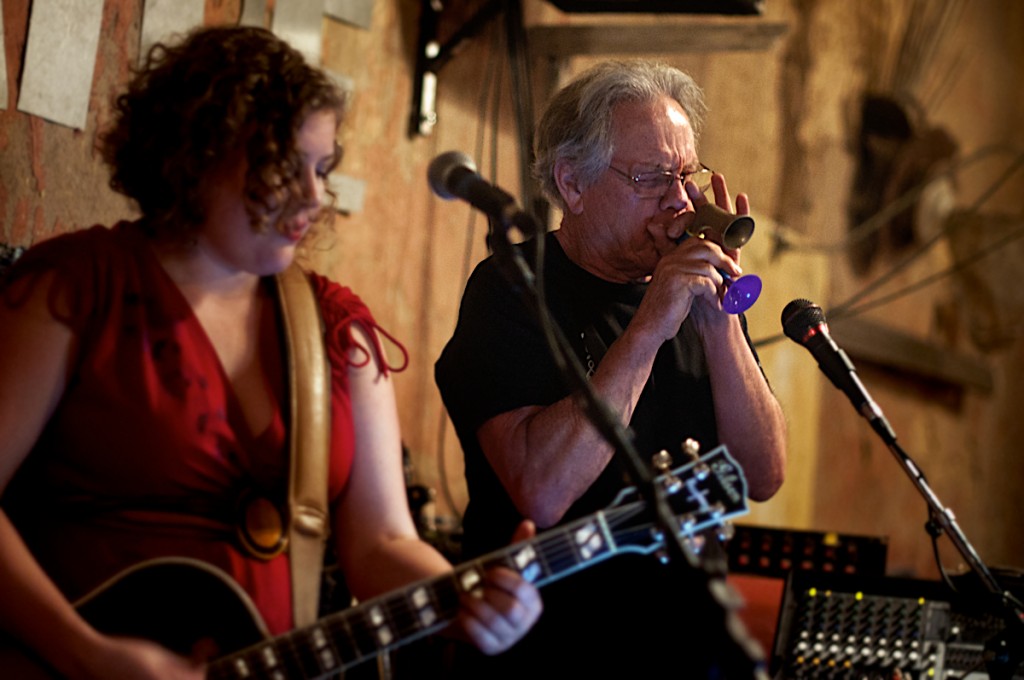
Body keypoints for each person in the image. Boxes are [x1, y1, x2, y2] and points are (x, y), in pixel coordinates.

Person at [0, 25, 541, 679]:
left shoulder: (337, 327)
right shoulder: (76, 288)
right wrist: (83, 653)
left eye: (322, 169)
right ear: (195, 156)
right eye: (284, 168)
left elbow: (383, 542)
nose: (314, 198)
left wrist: (466, 598)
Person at [435, 60, 787, 677]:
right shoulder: (510, 288)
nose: (680, 201)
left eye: (686, 174)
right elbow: (541, 491)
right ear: (572, 184)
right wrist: (649, 326)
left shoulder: (692, 291)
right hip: (545, 654)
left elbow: (761, 475)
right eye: (651, 177)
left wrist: (718, 318)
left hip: (683, 653)